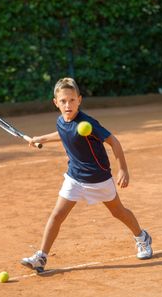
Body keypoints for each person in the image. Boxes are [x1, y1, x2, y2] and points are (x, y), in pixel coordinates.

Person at [21, 78, 152, 273]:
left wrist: (123, 169)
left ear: (79, 100)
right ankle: (41, 256)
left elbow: (114, 142)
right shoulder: (60, 121)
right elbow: (63, 132)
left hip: (99, 179)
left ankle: (142, 237)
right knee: (57, 215)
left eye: (72, 100)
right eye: (63, 101)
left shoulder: (87, 123)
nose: (68, 105)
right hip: (74, 178)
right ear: (55, 102)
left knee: (118, 212)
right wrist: (41, 139)